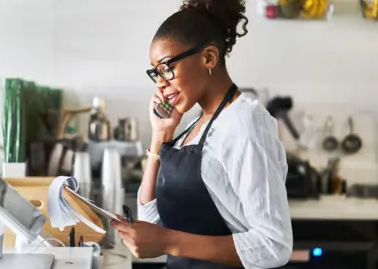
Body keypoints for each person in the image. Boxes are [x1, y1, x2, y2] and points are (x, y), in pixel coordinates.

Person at [111, 0, 293, 268]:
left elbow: (274, 245)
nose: (161, 83)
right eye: (156, 73)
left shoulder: (244, 123)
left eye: (167, 68)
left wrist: (167, 242)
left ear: (208, 57)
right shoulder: (192, 126)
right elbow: (151, 222)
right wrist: (161, 134)